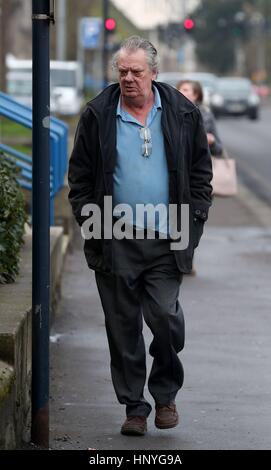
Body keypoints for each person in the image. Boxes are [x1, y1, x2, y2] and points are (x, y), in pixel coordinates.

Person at [68, 36, 213, 437]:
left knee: (164, 316)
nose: (128, 79)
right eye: (123, 71)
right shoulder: (99, 113)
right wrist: (87, 217)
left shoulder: (183, 112)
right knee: (122, 327)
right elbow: (79, 176)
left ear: (153, 72)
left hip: (167, 238)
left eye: (136, 72)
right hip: (113, 238)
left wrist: (196, 218)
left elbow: (201, 170)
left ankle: (165, 394)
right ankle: (135, 407)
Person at [177, 79, 223, 157]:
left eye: (185, 90)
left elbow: (218, 150)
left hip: (199, 165)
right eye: (178, 90)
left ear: (195, 95)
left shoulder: (207, 115)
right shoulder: (170, 113)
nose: (180, 92)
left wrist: (211, 142)